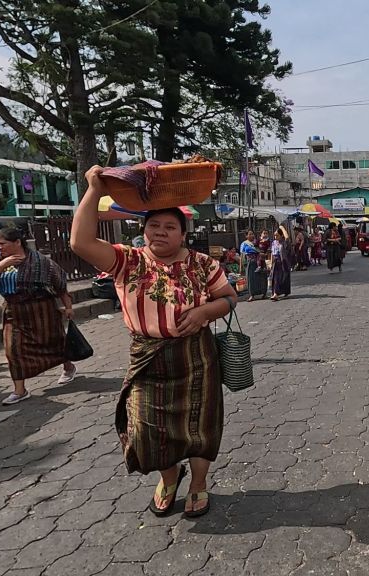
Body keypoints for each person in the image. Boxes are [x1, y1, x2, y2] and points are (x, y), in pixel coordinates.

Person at [70, 166, 237, 518]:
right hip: (147, 357)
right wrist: (94, 189)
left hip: (196, 357)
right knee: (149, 429)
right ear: (143, 230)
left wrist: (205, 311)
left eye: (170, 227)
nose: (161, 231)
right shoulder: (126, 261)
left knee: (201, 427)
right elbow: (80, 243)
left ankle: (198, 484)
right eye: (154, 225)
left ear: (183, 234)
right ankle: (170, 477)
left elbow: (229, 298)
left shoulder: (203, 264)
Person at [0, 227, 77, 405]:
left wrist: (68, 307)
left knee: (55, 342)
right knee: (12, 350)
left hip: (42, 310)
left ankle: (68, 367)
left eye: (3, 243)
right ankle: (20, 390)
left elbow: (60, 285)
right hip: (13, 311)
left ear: (17, 242)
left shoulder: (41, 262)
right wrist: (0, 266)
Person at [269, 228, 292, 301]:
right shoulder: (274, 243)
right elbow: (272, 253)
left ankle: (285, 291)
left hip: (283, 262)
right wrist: (271, 263)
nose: (275, 237)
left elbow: (287, 237)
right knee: (276, 278)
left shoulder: (284, 242)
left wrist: (282, 228)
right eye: (275, 235)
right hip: (276, 262)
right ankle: (275, 293)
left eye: (277, 235)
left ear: (281, 235)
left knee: (284, 278)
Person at [239, 230, 260, 302]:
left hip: (258, 261)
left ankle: (262, 292)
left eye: (252, 234)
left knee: (260, 277)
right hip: (249, 262)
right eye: (250, 234)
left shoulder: (257, 242)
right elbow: (242, 255)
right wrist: (241, 266)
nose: (252, 235)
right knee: (250, 278)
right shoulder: (244, 244)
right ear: (246, 236)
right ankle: (252, 295)